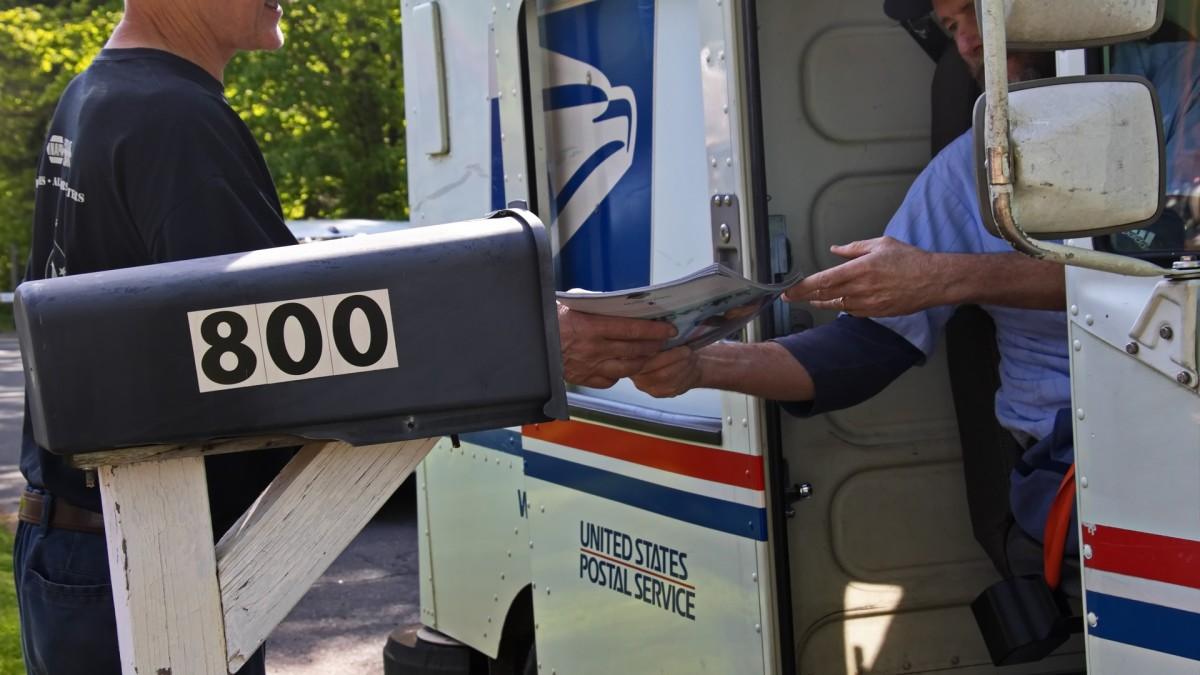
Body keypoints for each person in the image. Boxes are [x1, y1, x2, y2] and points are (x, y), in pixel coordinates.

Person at [12, 1, 669, 673]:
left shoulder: (97, 92)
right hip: (140, 576)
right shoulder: (171, 116)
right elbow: (295, 348)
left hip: (81, 549)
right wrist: (528, 339)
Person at [631, 0, 1076, 581]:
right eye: (950, 26)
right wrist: (699, 366)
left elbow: (1158, 279)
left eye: (976, 10)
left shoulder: (1174, 109)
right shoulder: (967, 170)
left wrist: (948, 275)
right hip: (1074, 455)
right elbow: (868, 346)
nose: (967, 42)